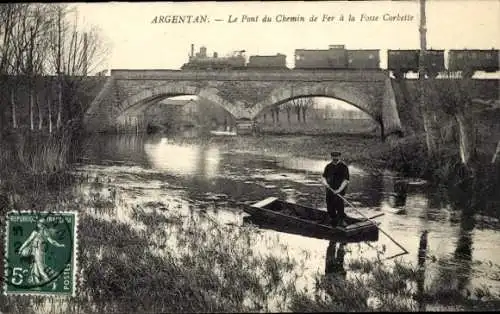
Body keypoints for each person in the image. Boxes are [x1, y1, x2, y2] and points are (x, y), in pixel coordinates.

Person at [321, 151, 350, 226]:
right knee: (329, 204)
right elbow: (324, 177)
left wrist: (339, 190)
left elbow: (346, 181)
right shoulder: (328, 166)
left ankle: (342, 220)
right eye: (333, 156)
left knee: (339, 204)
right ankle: (332, 219)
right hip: (330, 189)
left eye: (337, 156)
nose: (335, 158)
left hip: (340, 190)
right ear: (331, 157)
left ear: (339, 157)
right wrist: (326, 183)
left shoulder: (343, 167)